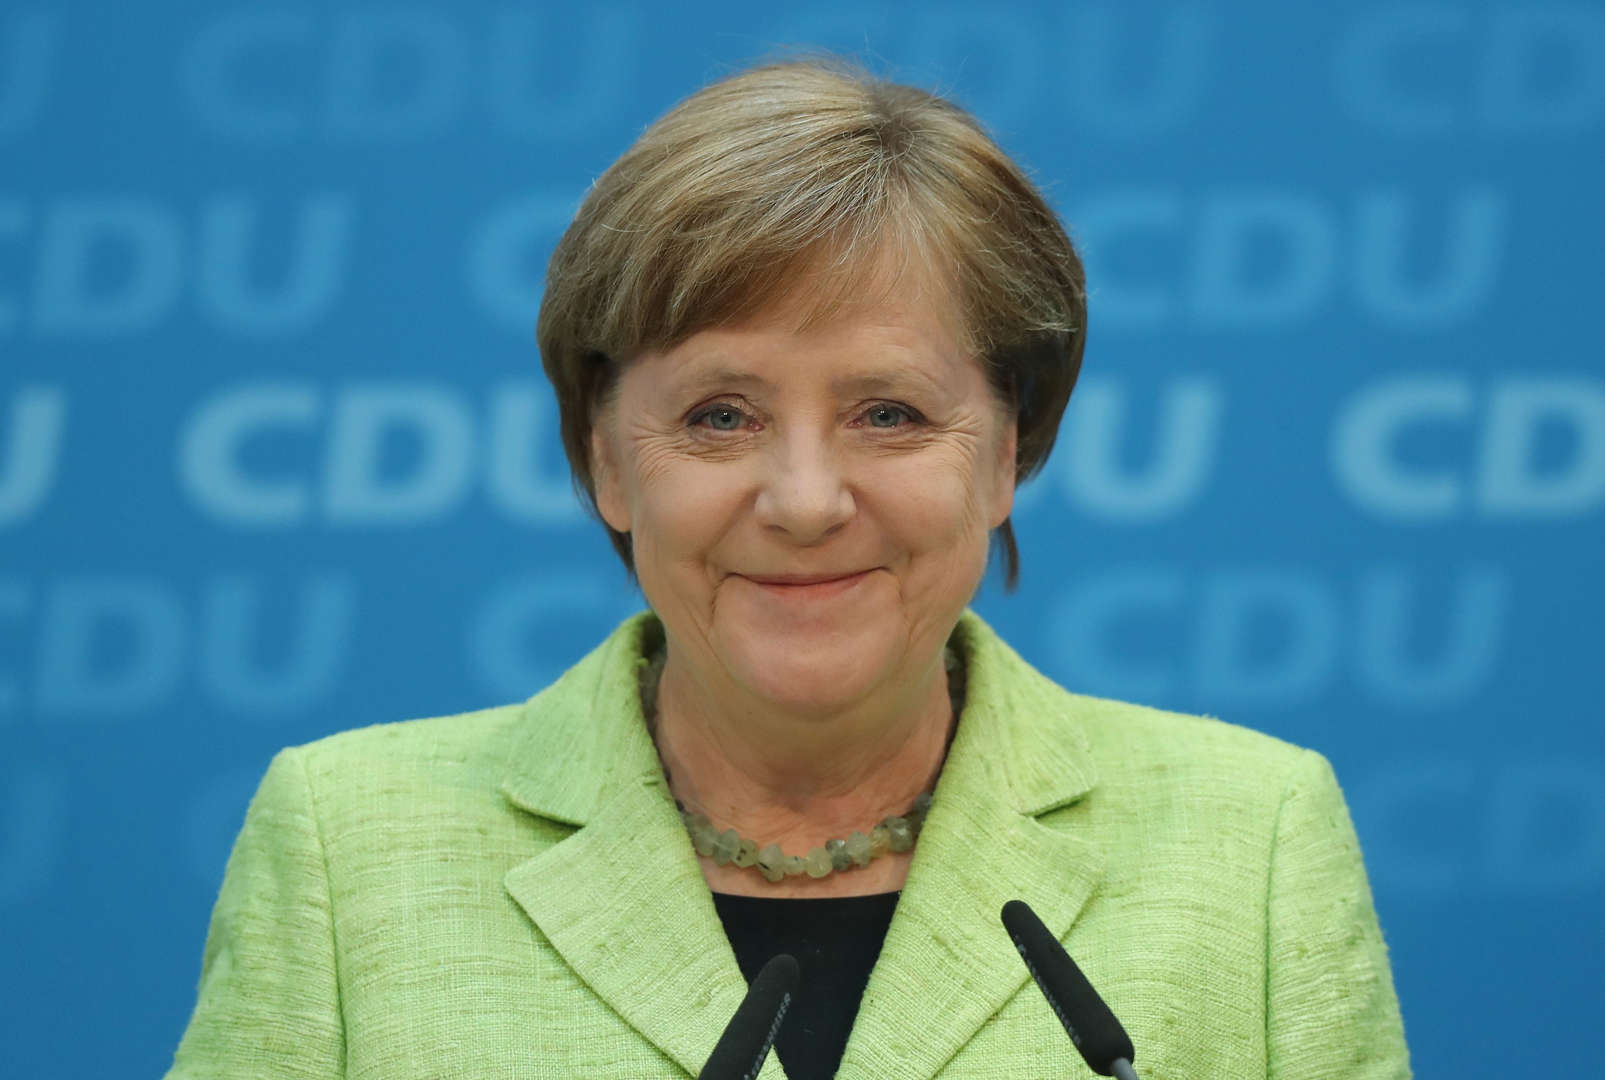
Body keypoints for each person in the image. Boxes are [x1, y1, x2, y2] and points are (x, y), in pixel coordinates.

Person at [164, 56, 1411, 1079]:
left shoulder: (1250, 842)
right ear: (606, 458)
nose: (806, 502)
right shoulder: (349, 848)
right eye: (719, 416)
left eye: (888, 413)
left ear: (1005, 454)